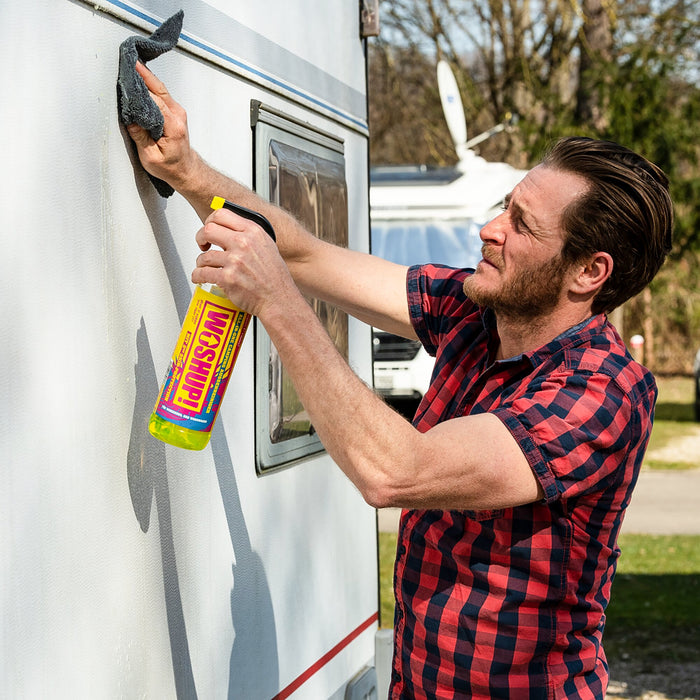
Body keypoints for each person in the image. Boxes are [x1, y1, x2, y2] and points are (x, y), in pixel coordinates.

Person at [127, 62, 674, 699]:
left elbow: (397, 471)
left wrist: (274, 299)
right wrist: (187, 169)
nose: (489, 229)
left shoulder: (602, 394)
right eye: (505, 207)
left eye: (521, 224)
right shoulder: (478, 311)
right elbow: (301, 252)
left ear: (588, 273)